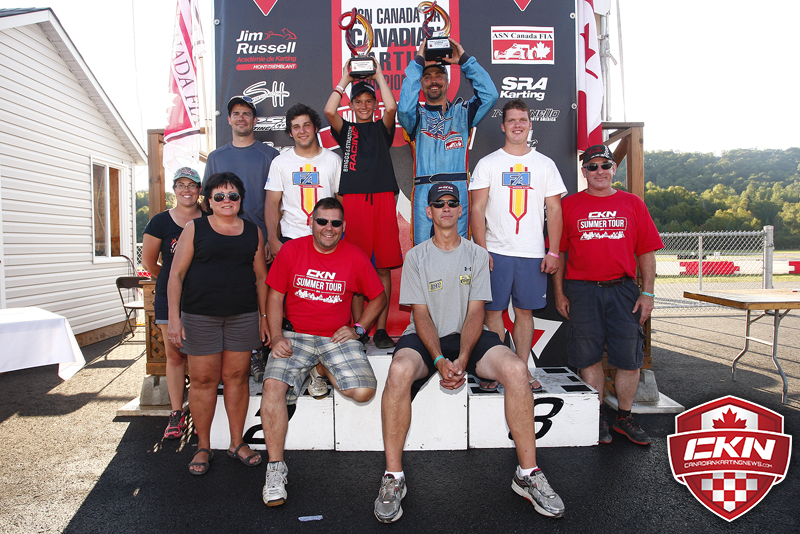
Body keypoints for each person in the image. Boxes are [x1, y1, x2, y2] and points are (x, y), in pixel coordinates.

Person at [374, 183, 564, 523]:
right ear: (429, 212)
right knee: (399, 370)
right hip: (426, 336)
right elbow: (420, 316)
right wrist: (438, 360)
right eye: (439, 203)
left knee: (516, 370)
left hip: (469, 337)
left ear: (461, 210)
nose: (446, 207)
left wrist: (462, 358)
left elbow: (477, 312)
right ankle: (393, 477)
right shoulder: (416, 256)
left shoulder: (477, 254)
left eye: (452, 202)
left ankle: (528, 474)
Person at [260, 197, 386, 507]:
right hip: (294, 336)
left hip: (334, 337)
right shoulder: (292, 250)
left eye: (335, 223)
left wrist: (359, 328)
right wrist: (276, 336)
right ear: (311, 222)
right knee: (273, 387)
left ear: (343, 227)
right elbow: (275, 297)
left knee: (364, 392)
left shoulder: (354, 256)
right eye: (322, 221)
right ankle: (275, 469)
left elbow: (379, 297)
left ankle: (318, 369)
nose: (328, 228)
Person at [552, 144, 664, 446]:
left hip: (623, 290)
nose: (599, 171)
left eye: (604, 165)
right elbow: (559, 253)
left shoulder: (633, 203)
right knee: (588, 358)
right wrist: (559, 293)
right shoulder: (569, 205)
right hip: (582, 290)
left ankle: (624, 417)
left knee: (629, 358)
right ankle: (597, 415)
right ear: (584, 171)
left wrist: (648, 293)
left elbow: (646, 252)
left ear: (614, 168)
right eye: (592, 166)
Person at [167, 172, 269, 475]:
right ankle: (203, 446)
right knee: (202, 381)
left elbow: (261, 278)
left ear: (240, 200)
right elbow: (176, 275)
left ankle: (237, 443)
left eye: (233, 195)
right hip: (200, 317)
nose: (227, 200)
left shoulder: (253, 231)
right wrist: (174, 319)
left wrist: (263, 317)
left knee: (237, 378)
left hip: (243, 316)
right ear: (208, 201)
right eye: (219, 196)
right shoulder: (194, 228)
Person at [469, 99, 567, 393]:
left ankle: (521, 371)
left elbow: (555, 210)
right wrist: (482, 250)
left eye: (522, 120)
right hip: (496, 251)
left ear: (530, 124)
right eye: (511, 120)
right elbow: (477, 208)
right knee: (492, 313)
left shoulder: (545, 164)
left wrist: (553, 251)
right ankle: (499, 369)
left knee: (525, 314)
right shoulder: (488, 163)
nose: (517, 125)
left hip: (531, 253)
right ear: (503, 126)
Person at [324, 61, 402, 349]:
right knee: (356, 269)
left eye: (369, 101)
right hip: (354, 201)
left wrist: (379, 75)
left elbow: (392, 107)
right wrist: (345, 78)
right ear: (352, 105)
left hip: (382, 198)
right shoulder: (346, 130)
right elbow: (329, 111)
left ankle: (380, 330)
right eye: (359, 101)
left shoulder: (382, 128)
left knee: (383, 268)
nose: (364, 105)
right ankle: (359, 330)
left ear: (375, 104)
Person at [398, 38, 498, 245]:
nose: (433, 81)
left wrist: (465, 61)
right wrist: (418, 62)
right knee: (422, 252)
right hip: (424, 191)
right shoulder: (416, 116)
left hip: (457, 190)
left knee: (458, 251)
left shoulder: (463, 113)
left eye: (439, 76)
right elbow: (404, 108)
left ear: (447, 81)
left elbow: (490, 95)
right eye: (427, 77)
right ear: (421, 83)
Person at [142, 167, 207, 440]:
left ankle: (203, 412)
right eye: (181, 185)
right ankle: (176, 412)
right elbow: (149, 263)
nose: (186, 190)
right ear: (174, 189)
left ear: (199, 189)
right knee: (175, 355)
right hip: (169, 298)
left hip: (203, 298)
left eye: (192, 185)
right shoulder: (160, 222)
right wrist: (172, 281)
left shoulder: (210, 218)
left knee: (203, 358)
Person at [203, 96, 279, 259]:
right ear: (229, 120)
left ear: (255, 120)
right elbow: (206, 203)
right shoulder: (215, 158)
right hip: (221, 239)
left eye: (246, 114)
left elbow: (278, 203)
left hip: (259, 239)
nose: (241, 118)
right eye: (236, 114)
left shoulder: (271, 155)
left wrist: (271, 239)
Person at [264, 104, 341, 259]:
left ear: (316, 128)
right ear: (290, 132)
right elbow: (272, 203)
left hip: (326, 238)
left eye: (306, 125)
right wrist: (272, 239)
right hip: (290, 237)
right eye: (296, 127)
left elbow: (342, 202)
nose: (302, 131)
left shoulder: (333, 160)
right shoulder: (280, 162)